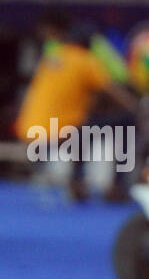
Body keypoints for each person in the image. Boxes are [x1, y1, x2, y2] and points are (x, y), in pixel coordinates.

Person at [15, 11, 137, 202]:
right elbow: (116, 95)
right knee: (125, 124)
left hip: (30, 129)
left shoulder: (54, 56)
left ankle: (77, 181)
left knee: (87, 126)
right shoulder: (86, 61)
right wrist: (138, 109)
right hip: (57, 132)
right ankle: (114, 185)